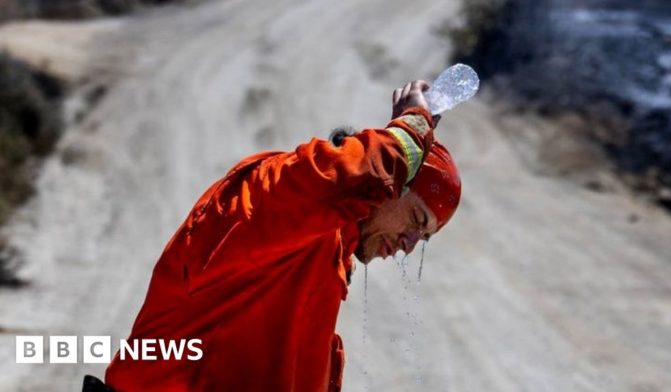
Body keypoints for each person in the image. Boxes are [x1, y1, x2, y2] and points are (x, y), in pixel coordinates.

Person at [89, 80, 461, 391]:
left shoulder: (326, 262)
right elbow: (341, 177)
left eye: (423, 238)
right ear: (391, 188)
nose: (408, 245)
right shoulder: (269, 198)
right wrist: (411, 131)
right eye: (415, 218)